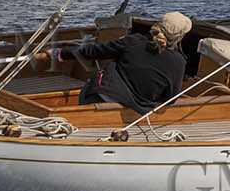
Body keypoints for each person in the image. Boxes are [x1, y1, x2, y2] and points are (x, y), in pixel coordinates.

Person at [53, 12, 192, 115]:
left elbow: (95, 51)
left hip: (101, 95)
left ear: (157, 26)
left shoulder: (133, 41)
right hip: (134, 112)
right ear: (179, 38)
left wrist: (60, 53)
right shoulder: (178, 62)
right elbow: (170, 99)